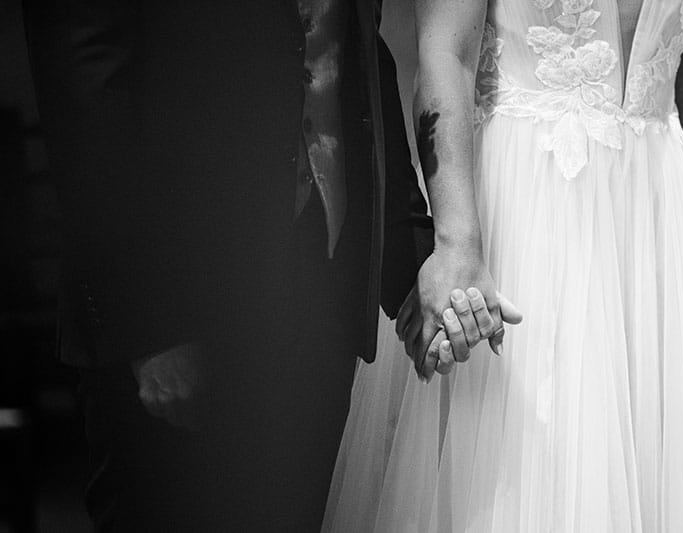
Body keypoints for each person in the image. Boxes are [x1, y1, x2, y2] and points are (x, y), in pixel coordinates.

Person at [22, 1, 518, 530]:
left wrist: (413, 261)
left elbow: (358, 63)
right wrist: (148, 328)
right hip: (180, 302)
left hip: (318, 297)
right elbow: (82, 86)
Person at [324, 0, 683, 531]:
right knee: (530, 470)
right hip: (529, 213)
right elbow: (447, 55)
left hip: (660, 229)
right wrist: (455, 244)